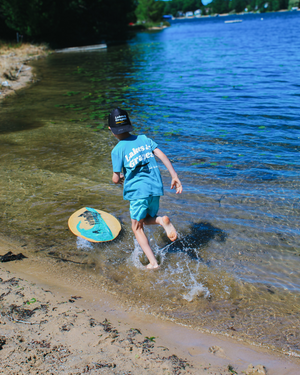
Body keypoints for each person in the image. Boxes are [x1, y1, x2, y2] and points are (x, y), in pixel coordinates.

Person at [109, 108, 183, 269]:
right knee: (145, 219)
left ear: (111, 129)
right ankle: (160, 220)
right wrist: (174, 176)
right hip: (155, 188)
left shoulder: (117, 150)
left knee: (136, 227)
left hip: (137, 192)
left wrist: (120, 178)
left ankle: (153, 262)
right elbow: (162, 155)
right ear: (129, 125)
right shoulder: (143, 138)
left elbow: (115, 179)